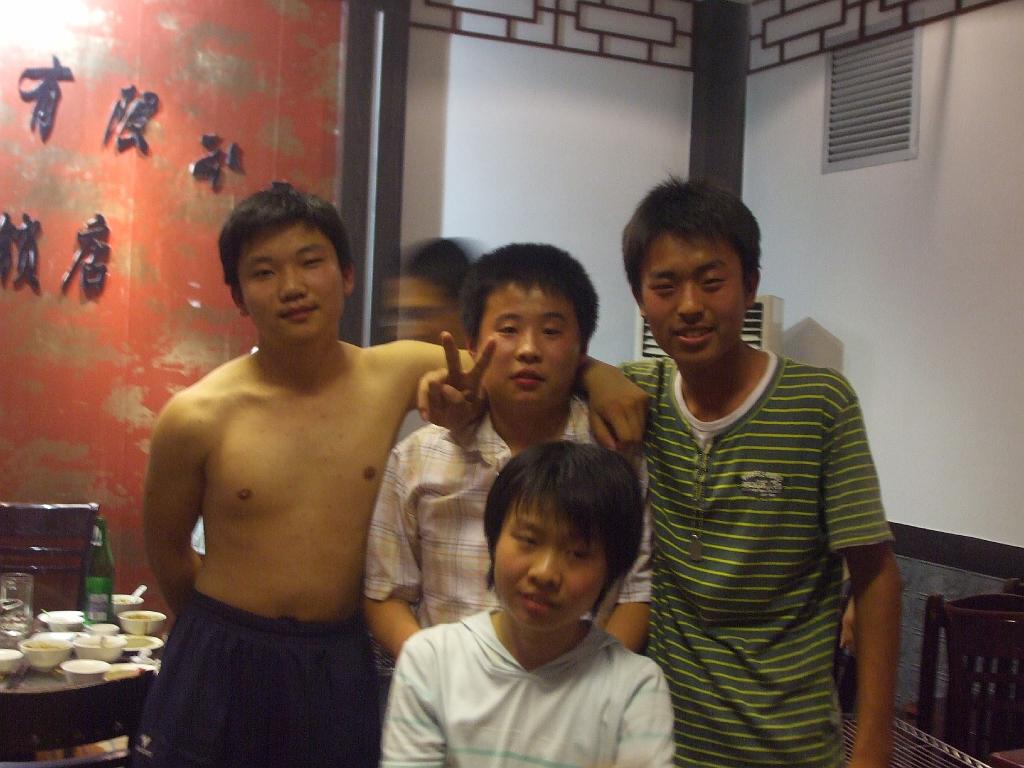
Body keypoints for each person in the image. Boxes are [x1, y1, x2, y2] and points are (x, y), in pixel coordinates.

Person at [135, 186, 647, 768]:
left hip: (335, 654)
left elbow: (515, 360)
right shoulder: (196, 415)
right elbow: (168, 553)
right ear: (237, 295)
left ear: (347, 275)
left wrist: (601, 376)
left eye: (310, 262)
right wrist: (222, 635)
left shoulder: (395, 369)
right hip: (223, 648)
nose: (292, 286)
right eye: (264, 272)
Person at [619, 178, 901, 768]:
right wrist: (592, 375)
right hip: (662, 748)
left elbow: (875, 577)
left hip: (790, 747)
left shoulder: (819, 403)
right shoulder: (636, 396)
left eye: (711, 281)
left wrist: (874, 745)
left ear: (749, 285)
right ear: (641, 300)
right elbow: (530, 364)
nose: (689, 305)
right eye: (665, 286)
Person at [364, 243, 652, 662]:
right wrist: (436, 671)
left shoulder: (615, 454)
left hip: (578, 688)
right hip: (448, 687)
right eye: (509, 329)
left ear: (583, 347)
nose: (528, 349)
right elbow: (386, 593)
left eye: (551, 331)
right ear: (472, 343)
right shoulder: (417, 458)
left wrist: (585, 680)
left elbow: (635, 595)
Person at [380, 441, 675, 768]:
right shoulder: (431, 661)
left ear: (613, 569)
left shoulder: (636, 686)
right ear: (495, 538)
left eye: (577, 553)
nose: (545, 573)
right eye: (529, 540)